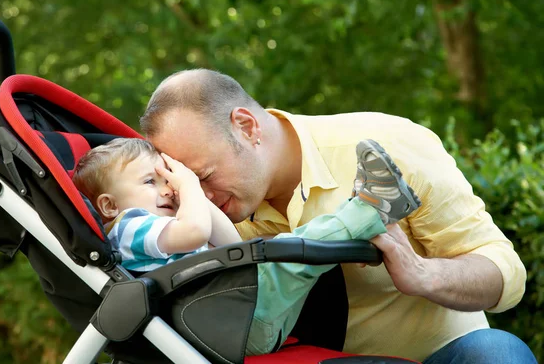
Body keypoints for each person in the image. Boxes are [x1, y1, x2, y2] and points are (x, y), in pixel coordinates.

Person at [139, 68, 536, 363]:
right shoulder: (190, 215)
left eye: (205, 177)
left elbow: (504, 271)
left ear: (246, 127)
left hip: (443, 354)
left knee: (498, 354)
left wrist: (424, 274)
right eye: (187, 185)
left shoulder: (387, 144)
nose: (201, 198)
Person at [71, 137, 421, 356]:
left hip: (240, 317)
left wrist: (190, 193)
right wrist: (190, 186)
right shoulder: (130, 228)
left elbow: (230, 241)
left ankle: (366, 211)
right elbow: (194, 233)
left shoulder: (163, 226)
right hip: (234, 318)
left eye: (168, 180)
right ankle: (369, 208)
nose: (167, 189)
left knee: (296, 252)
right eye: (151, 181)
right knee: (290, 249)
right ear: (108, 206)